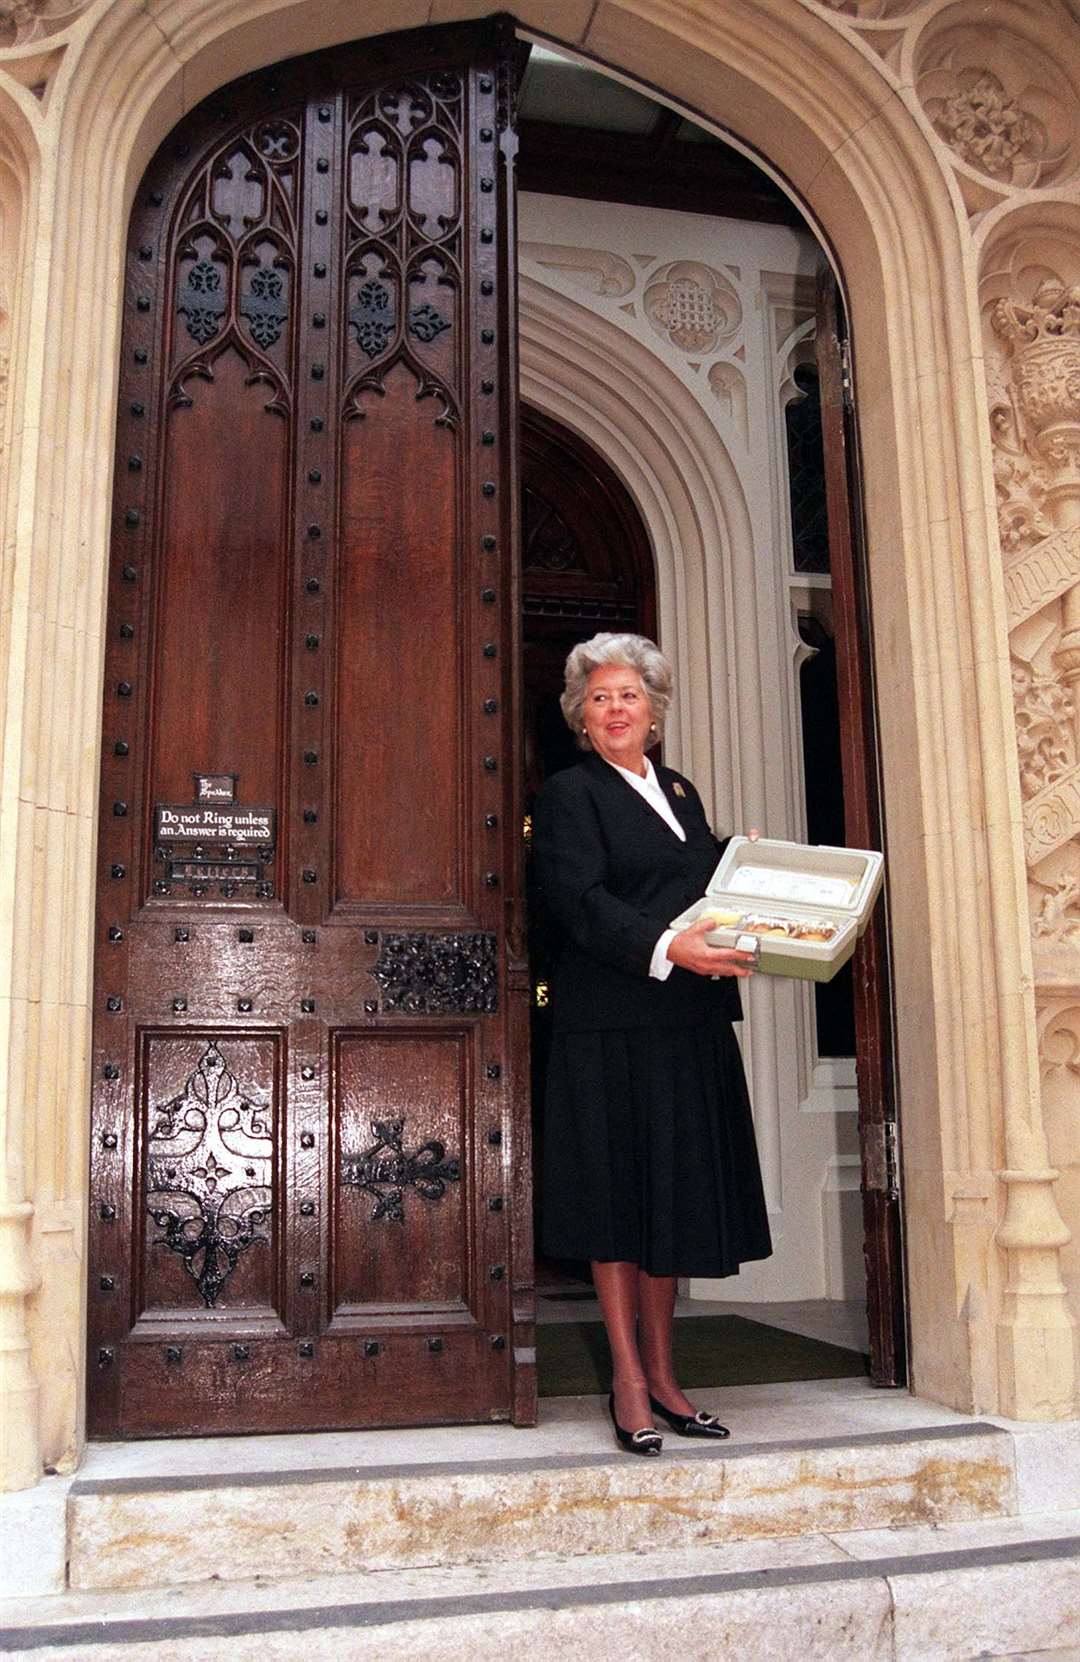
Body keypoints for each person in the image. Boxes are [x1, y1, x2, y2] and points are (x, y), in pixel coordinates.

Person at [531, 632, 772, 1455]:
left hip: (686, 1026)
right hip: (609, 1025)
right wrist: (673, 949)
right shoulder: (569, 795)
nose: (614, 709)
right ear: (580, 717)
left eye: (628, 695)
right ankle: (627, 1382)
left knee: (672, 1200)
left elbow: (705, 894)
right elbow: (581, 903)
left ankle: (669, 1380)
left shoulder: (680, 791)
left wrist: (766, 906)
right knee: (618, 1202)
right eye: (598, 698)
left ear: (653, 710)